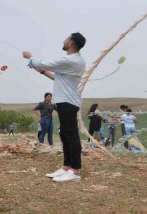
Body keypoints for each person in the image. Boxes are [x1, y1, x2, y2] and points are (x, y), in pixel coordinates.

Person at [24, 32, 86, 183]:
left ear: (71, 43)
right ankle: (66, 167)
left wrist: (30, 58)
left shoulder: (70, 60)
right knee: (65, 134)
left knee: (71, 135)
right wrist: (42, 71)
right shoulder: (72, 62)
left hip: (68, 102)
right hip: (64, 102)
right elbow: (57, 77)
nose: (64, 41)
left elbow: (45, 63)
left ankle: (75, 171)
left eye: (66, 39)